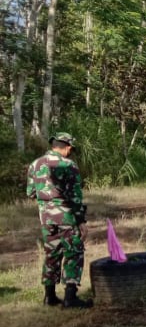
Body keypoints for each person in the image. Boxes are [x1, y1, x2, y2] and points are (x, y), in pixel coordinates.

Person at [26, 132, 93, 308]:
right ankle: (70, 297)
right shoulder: (68, 165)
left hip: (46, 217)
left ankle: (50, 297)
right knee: (74, 251)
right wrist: (81, 220)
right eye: (71, 148)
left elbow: (31, 193)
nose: (71, 151)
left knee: (52, 252)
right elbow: (75, 196)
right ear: (66, 146)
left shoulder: (35, 164)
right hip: (66, 215)